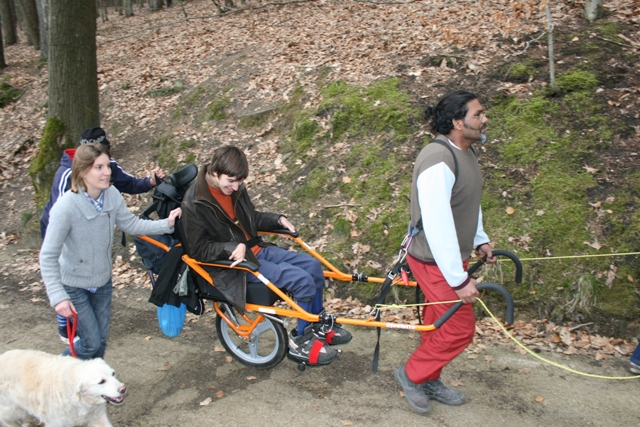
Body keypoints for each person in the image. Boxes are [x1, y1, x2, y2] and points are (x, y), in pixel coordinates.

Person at [181, 145, 352, 365]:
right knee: (301, 280)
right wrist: (229, 247)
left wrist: (277, 219)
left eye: (239, 182)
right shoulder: (194, 202)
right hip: (235, 266)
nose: (235, 187)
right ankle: (301, 341)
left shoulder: (235, 188)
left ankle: (318, 324)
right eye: (231, 181)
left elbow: (251, 218)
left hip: (256, 250)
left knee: (312, 267)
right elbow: (198, 249)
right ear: (214, 172)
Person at [395, 90, 496, 413]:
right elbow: (437, 226)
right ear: (456, 122)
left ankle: (428, 377)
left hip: (449, 258)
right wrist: (459, 279)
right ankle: (412, 374)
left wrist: (480, 238)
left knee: (439, 323)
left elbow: (468, 202)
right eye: (477, 115)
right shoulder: (438, 160)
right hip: (432, 260)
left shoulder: (465, 152)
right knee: (459, 327)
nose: (484, 119)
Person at [39, 143, 181, 360]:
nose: (107, 172)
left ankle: (93, 388)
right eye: (99, 167)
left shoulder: (111, 195)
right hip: (74, 285)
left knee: (100, 342)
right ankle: (54, 375)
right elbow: (48, 256)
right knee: (91, 343)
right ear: (83, 171)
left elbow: (132, 225)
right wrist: (58, 297)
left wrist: (166, 224)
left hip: (102, 282)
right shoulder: (65, 207)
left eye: (107, 165)